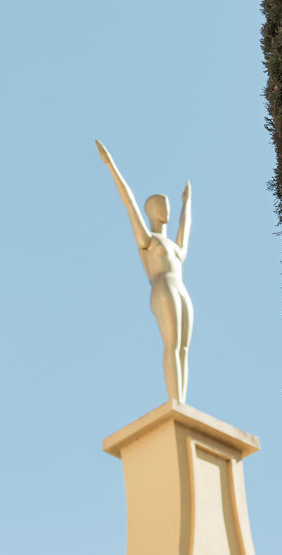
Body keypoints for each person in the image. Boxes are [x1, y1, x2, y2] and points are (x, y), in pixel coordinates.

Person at [96, 139, 194, 404]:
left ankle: (181, 401)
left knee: (184, 349)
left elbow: (184, 236)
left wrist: (187, 202)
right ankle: (175, 403)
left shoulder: (173, 246)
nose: (168, 209)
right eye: (163, 205)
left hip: (181, 289)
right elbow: (128, 202)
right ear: (152, 210)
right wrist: (110, 165)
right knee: (172, 344)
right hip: (163, 287)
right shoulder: (148, 241)